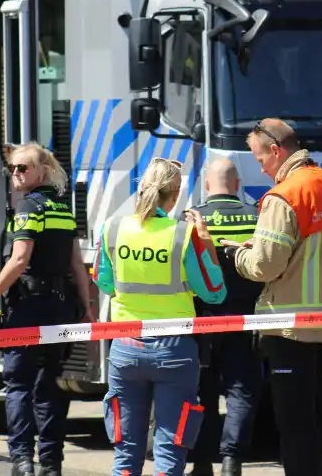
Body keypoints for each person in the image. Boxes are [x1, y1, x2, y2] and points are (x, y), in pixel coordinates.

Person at [225, 119, 322, 476]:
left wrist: (238, 255)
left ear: (276, 151)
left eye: (259, 158)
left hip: (289, 329)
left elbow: (265, 266)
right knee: (317, 420)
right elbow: (319, 251)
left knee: (295, 429)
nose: (261, 167)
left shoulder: (285, 195)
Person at [92, 157, 228, 476]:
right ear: (176, 192)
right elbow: (215, 292)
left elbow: (104, 280)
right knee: (169, 453)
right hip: (174, 351)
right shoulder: (183, 234)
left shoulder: (112, 228)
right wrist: (206, 244)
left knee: (125, 454)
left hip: (125, 348)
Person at [0, 143, 95, 476]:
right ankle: (52, 463)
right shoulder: (62, 208)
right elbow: (75, 264)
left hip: (28, 308)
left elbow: (19, 260)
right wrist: (85, 305)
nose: (16, 173)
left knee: (18, 385)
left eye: (23, 168)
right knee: (49, 384)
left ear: (42, 170)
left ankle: (22, 462)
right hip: (59, 308)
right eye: (12, 168)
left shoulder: (29, 207)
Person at [188, 158, 264, 476]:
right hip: (246, 315)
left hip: (202, 316)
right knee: (241, 387)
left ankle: (202, 463)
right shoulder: (255, 216)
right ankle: (232, 462)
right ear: (237, 184)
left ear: (207, 186)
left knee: (202, 388)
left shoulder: (192, 218)